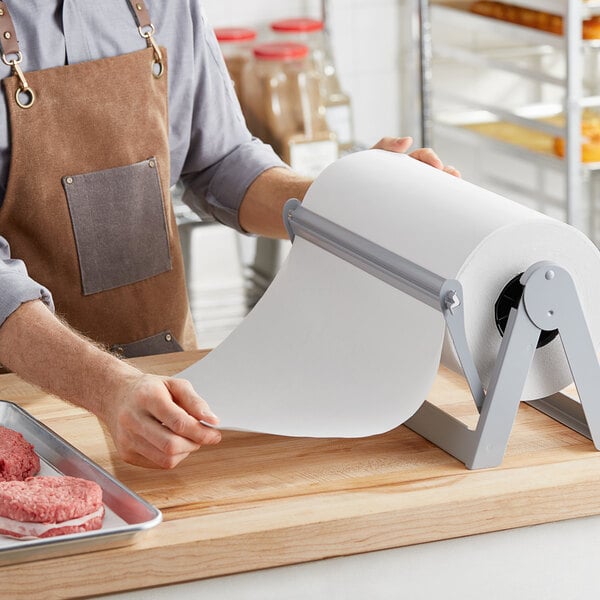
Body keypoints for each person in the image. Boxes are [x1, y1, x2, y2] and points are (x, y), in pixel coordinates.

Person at [0, 1, 459, 469]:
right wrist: (107, 386)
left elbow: (219, 162)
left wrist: (351, 201)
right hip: (15, 403)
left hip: (162, 390)